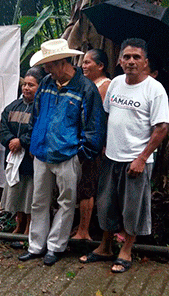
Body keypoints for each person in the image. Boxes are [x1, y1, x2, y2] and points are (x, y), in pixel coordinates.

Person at [80, 38, 169, 274]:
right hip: (111, 157)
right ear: (119, 61)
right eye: (127, 57)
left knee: (132, 209)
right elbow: (107, 116)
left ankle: (126, 250)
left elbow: (161, 128)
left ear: (145, 62)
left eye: (136, 57)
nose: (131, 62)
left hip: (136, 161)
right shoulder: (116, 84)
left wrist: (142, 158)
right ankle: (105, 246)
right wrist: (103, 145)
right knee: (106, 204)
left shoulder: (155, 89)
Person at [18, 39, 105, 266]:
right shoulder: (46, 83)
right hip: (42, 152)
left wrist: (81, 154)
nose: (46, 70)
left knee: (66, 202)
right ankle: (36, 246)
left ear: (61, 62)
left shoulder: (85, 88)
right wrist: (33, 142)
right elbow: (35, 116)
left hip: (67, 155)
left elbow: (93, 126)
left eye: (49, 65)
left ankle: (55, 246)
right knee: (39, 201)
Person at [0, 66, 45, 236]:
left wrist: (22, 142)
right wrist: (10, 140)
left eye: (31, 85)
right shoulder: (13, 106)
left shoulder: (41, 109)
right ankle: (19, 225)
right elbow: (2, 127)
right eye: (25, 84)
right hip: (14, 159)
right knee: (17, 193)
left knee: (30, 195)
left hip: (31, 161)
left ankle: (29, 228)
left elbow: (40, 130)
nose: (26, 88)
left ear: (40, 87)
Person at [71, 49, 111, 241]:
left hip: (92, 144)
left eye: (88, 62)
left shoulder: (104, 86)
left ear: (100, 66)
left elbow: (98, 118)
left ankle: (84, 230)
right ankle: (79, 226)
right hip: (78, 142)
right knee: (79, 186)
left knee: (88, 185)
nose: (83, 66)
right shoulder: (86, 84)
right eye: (83, 62)